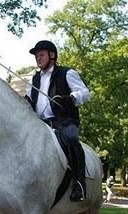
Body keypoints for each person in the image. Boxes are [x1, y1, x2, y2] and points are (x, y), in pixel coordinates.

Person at [25, 40, 91, 201]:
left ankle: (79, 184)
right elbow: (29, 100)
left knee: (71, 138)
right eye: (36, 57)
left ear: (52, 55)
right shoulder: (34, 80)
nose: (38, 59)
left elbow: (85, 92)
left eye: (41, 55)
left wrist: (70, 98)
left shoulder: (67, 73)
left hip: (64, 121)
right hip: (40, 123)